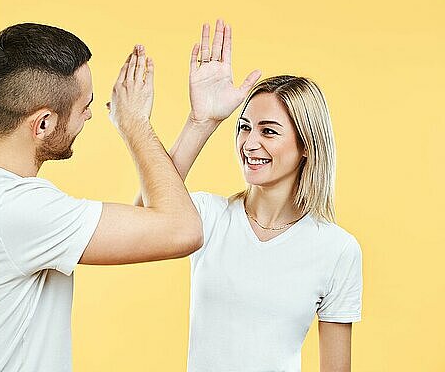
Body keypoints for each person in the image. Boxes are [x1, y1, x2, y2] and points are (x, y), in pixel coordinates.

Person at [0, 23, 203, 372]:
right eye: (84, 106)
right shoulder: (16, 208)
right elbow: (183, 229)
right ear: (44, 123)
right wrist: (134, 124)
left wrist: (199, 123)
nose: (90, 115)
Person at [138, 20, 363, 371]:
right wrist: (201, 121)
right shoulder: (207, 216)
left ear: (306, 146)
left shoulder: (337, 249)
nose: (250, 143)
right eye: (244, 127)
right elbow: (140, 226)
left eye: (269, 131)